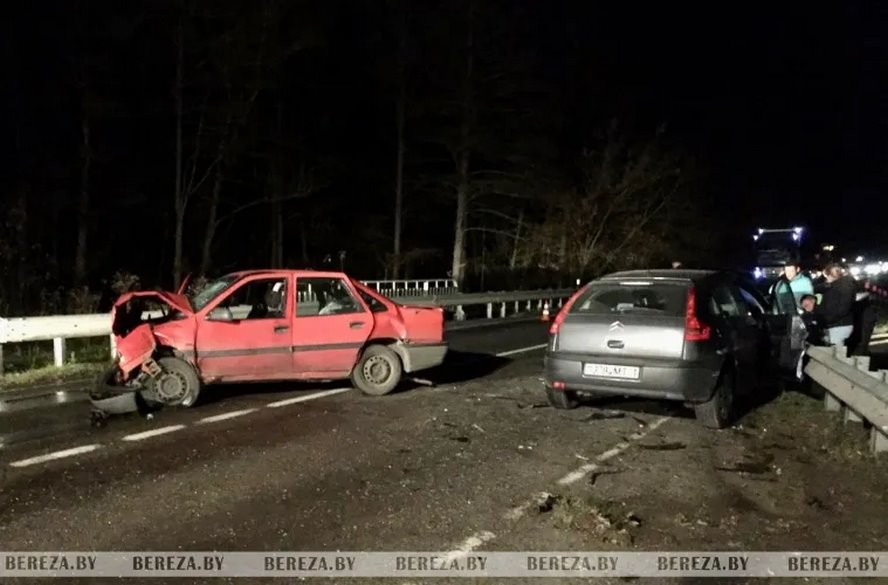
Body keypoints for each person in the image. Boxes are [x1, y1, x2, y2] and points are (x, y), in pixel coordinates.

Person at [814, 263, 857, 346]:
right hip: (839, 325)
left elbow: (842, 309)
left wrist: (827, 320)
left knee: (836, 355)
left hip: (838, 326)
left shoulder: (841, 287)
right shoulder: (838, 285)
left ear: (829, 275)